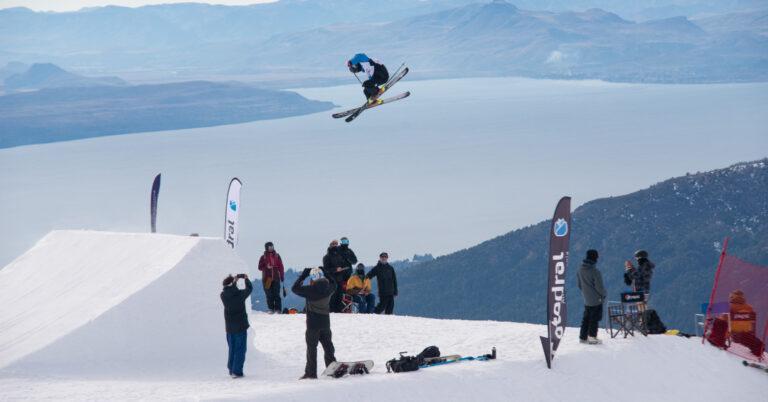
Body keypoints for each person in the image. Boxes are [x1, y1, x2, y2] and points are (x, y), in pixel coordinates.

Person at [292, 267, 337, 380]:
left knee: (312, 349)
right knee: (328, 347)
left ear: (312, 278)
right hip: (326, 323)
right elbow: (334, 283)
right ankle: (332, 368)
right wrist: (327, 272)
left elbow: (295, 288)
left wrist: (303, 275)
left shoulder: (310, 290)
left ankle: (311, 373)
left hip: (313, 325)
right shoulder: (329, 288)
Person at [220, 274, 252, 378]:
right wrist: (246, 279)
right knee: (240, 349)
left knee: (232, 348)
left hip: (229, 327)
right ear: (233, 284)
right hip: (240, 327)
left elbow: (228, 289)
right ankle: (237, 371)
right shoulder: (240, 294)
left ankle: (231, 369)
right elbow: (249, 288)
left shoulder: (223, 295)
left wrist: (233, 281)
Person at [577, 249, 607, 345]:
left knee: (586, 317)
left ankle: (583, 336)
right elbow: (599, 287)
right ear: (594, 258)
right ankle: (592, 336)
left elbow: (579, 285)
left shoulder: (580, 269)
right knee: (595, 318)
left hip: (586, 298)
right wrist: (604, 294)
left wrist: (586, 292)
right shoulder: (595, 271)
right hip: (596, 299)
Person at [728, 290, 763, 357]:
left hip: (733, 334)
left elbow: (724, 320)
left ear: (733, 297)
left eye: (731, 296)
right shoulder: (750, 308)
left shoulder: (729, 307)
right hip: (746, 335)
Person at [258, 241, 285, 314]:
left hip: (276, 278)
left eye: (272, 247)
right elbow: (259, 267)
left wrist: (282, 276)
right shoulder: (263, 257)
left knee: (277, 294)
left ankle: (278, 309)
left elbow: (281, 266)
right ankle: (271, 309)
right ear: (266, 248)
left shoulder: (277, 256)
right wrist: (266, 267)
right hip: (267, 279)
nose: (271, 248)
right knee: (269, 294)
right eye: (270, 247)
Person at [323, 240, 347, 313]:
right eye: (333, 244)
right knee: (332, 296)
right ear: (330, 245)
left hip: (339, 279)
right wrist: (336, 269)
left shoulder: (339, 256)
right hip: (331, 279)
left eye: (336, 244)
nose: (335, 245)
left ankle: (338, 310)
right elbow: (326, 269)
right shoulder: (326, 257)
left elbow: (342, 265)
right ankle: (331, 310)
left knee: (339, 296)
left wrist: (343, 269)